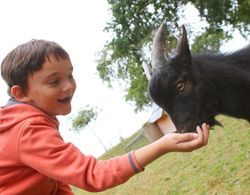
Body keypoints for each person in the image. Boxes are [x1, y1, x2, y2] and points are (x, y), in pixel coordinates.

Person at [0, 39, 210, 194]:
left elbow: (54, 179)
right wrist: (162, 145)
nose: (69, 86)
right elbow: (93, 175)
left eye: (70, 75)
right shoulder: (28, 130)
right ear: (21, 94)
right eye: (54, 81)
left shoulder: (25, 122)